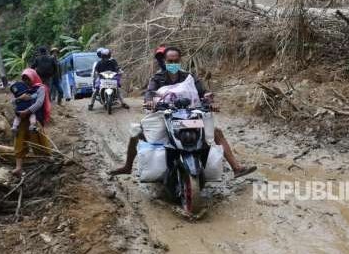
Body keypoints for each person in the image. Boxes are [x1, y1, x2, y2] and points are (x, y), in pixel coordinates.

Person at [109, 47, 256, 178]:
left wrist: (209, 101)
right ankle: (128, 166)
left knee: (217, 132)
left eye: (176, 61)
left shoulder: (189, 77)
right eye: (170, 61)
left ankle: (236, 168)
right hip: (165, 115)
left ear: (180, 61)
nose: (173, 64)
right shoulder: (157, 78)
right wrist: (150, 101)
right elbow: (150, 93)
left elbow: (203, 93)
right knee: (136, 132)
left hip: (188, 115)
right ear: (164, 61)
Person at [12, 68, 51, 177]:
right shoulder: (21, 90)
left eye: (28, 79)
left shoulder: (40, 88)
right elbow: (13, 102)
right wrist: (20, 98)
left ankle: (45, 162)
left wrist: (27, 111)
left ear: (33, 78)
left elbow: (39, 103)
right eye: (24, 79)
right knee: (19, 141)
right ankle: (18, 167)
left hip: (35, 119)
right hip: (22, 120)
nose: (26, 82)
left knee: (38, 140)